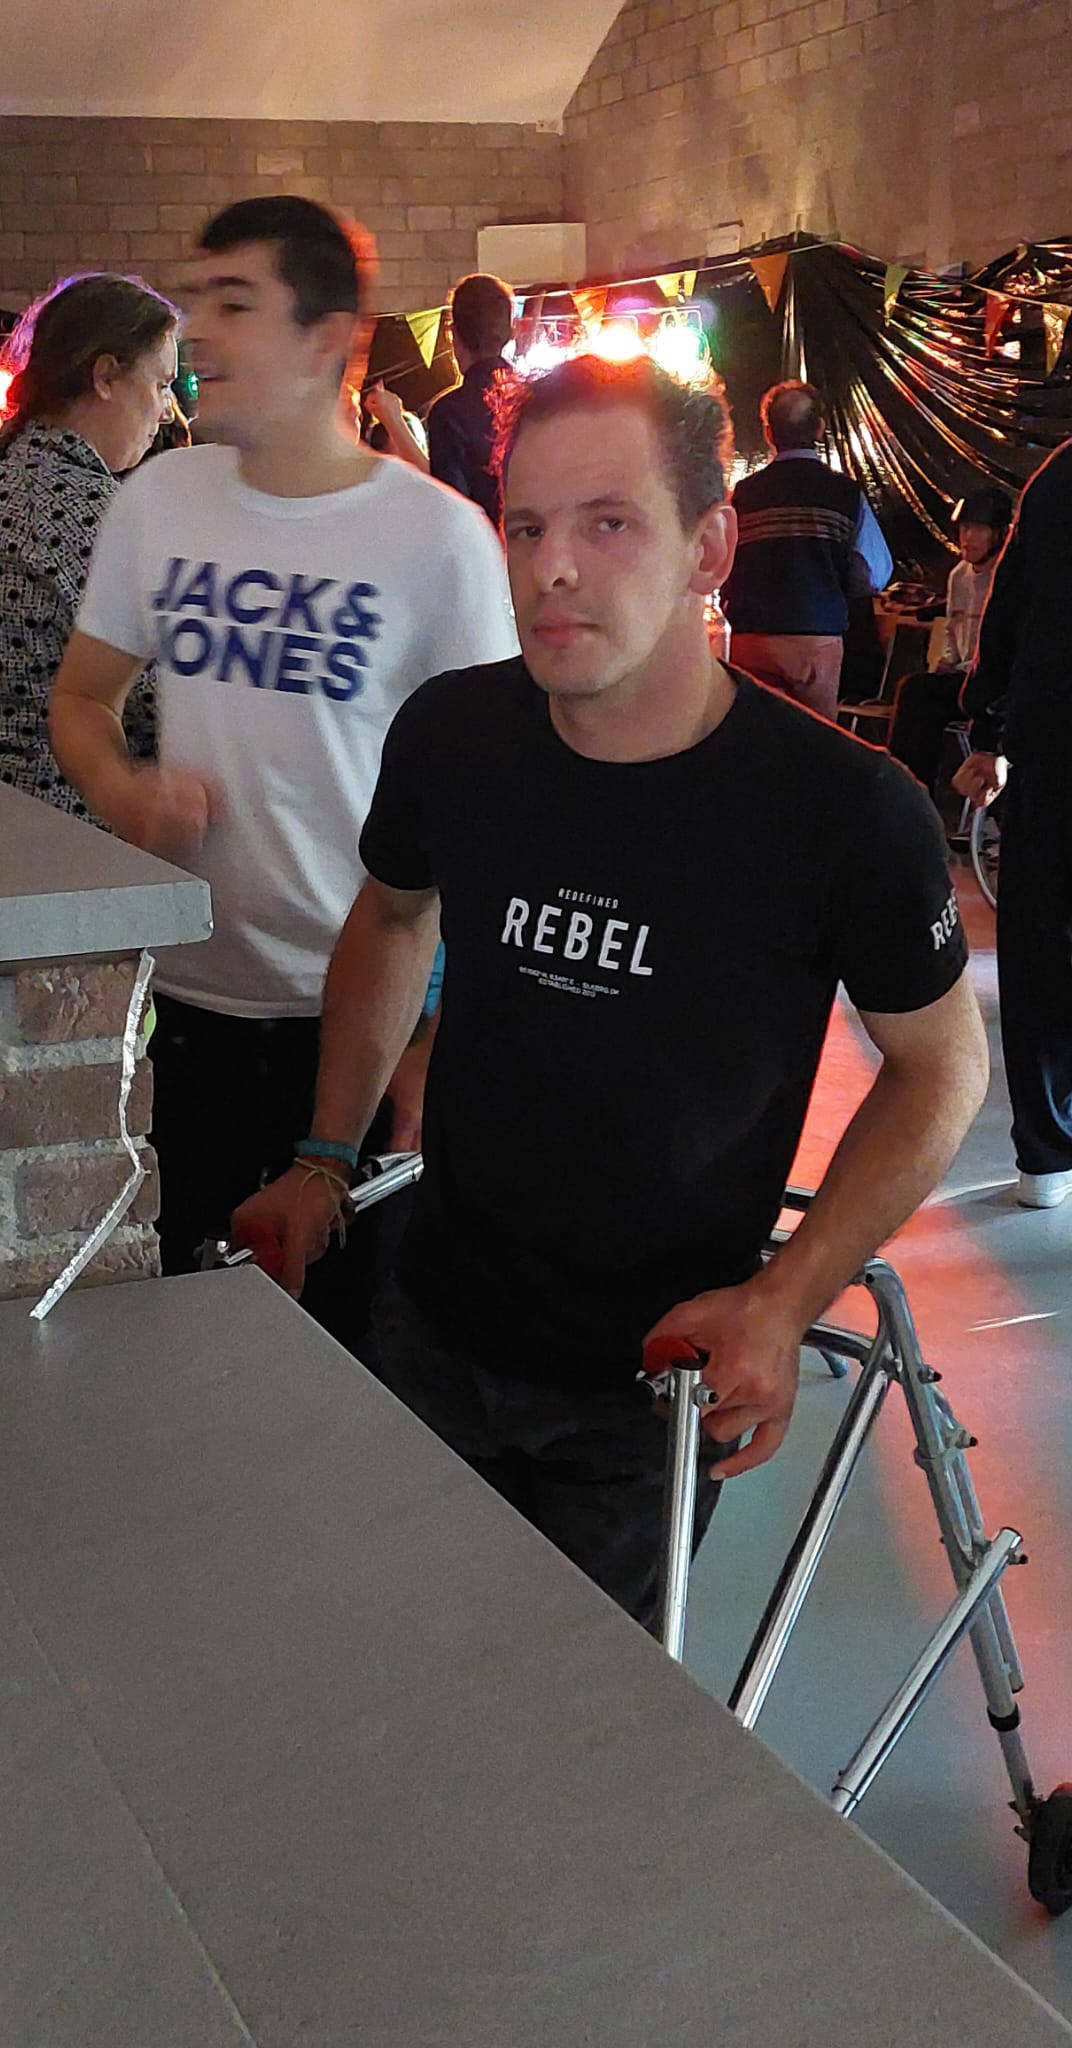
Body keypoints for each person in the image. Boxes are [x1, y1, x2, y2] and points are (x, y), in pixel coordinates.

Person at [233, 352, 988, 1629]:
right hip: (434, 1317)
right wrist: (324, 1153)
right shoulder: (455, 734)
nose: (553, 568)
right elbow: (394, 913)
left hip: (652, 1379)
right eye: (527, 527)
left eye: (608, 523)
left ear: (709, 548)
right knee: (387, 1649)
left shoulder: (843, 809)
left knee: (574, 1710)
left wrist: (786, 1296)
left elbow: (943, 1065)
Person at [49, 196, 517, 1351]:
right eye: (197, 302)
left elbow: (502, 814)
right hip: (190, 1009)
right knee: (199, 1334)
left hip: (359, 1027)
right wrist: (123, 791)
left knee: (354, 1360)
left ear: (326, 339)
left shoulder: (437, 540)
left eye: (235, 303)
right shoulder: (161, 502)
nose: (198, 333)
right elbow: (80, 700)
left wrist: (434, 1044)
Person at [0, 275, 177, 815]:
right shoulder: (81, 503)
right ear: (106, 377)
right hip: (57, 818)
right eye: (162, 384)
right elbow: (164, 702)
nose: (168, 410)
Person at [953, 444, 1072, 1206]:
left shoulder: (1058, 478)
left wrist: (986, 727)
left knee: (1040, 940)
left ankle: (1047, 1154)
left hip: (1053, 734)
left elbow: (1009, 614)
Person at [721, 380, 894, 721]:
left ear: (769, 433)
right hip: (817, 640)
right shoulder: (845, 494)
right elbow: (874, 573)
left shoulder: (742, 495)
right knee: (814, 741)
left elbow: (720, 564)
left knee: (754, 736)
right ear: (819, 428)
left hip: (751, 640)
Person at [886, 487, 1014, 793]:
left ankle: (908, 793)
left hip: (998, 687)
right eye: (965, 528)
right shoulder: (959, 575)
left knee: (918, 692)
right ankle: (908, 790)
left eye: (979, 529)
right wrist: (950, 659)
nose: (967, 537)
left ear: (999, 534)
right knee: (920, 698)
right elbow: (953, 627)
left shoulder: (1010, 577)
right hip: (966, 679)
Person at [424, 270, 516, 526]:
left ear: (453, 334)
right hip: (536, 544)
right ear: (510, 332)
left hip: (483, 546)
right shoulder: (536, 398)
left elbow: (454, 510)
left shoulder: (448, 413)